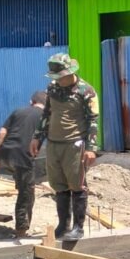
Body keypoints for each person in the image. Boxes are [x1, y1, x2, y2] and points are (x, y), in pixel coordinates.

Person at [29, 54, 99, 242]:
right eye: (55, 77)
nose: (58, 80)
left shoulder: (86, 91)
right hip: (54, 143)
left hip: (74, 144)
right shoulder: (52, 89)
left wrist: (91, 148)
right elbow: (47, 114)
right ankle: (63, 225)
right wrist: (37, 137)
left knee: (77, 185)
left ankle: (78, 227)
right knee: (59, 186)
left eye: (60, 76)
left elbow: (93, 120)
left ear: (70, 73)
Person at [0, 90, 47, 238]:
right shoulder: (46, 117)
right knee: (26, 193)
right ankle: (21, 231)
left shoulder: (18, 111)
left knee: (23, 184)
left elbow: (1, 133)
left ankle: (19, 181)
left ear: (32, 102)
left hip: (5, 154)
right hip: (23, 156)